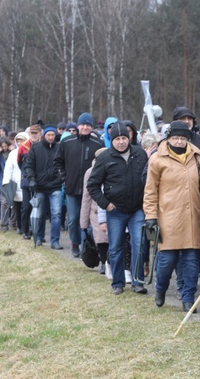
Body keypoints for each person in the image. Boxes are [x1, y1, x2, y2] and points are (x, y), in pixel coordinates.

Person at [143, 120, 200, 311]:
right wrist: (150, 216)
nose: (180, 142)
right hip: (168, 219)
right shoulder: (157, 159)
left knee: (191, 262)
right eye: (176, 138)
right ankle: (161, 288)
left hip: (193, 217)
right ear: (168, 138)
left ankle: (188, 298)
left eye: (183, 138)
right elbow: (150, 191)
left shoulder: (198, 158)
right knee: (167, 261)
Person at [87, 121, 148, 295]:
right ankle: (118, 282)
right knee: (115, 247)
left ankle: (137, 282)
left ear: (129, 139)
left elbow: (148, 178)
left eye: (124, 138)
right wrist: (105, 203)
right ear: (111, 140)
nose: (121, 142)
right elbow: (92, 185)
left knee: (139, 244)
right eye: (117, 139)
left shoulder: (140, 154)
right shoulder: (105, 158)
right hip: (115, 210)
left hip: (137, 208)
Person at [54, 112, 103, 258]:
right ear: (78, 125)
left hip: (90, 190)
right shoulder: (67, 142)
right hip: (72, 188)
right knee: (73, 219)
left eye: (88, 125)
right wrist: (63, 178)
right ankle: (75, 243)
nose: (85, 127)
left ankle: (87, 246)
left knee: (89, 220)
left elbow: (102, 164)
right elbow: (57, 162)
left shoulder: (97, 144)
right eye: (83, 124)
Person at [25, 125, 63, 249]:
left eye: (53, 135)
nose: (51, 137)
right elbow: (29, 166)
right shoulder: (36, 148)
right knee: (40, 214)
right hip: (39, 186)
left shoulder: (59, 148)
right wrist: (31, 179)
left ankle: (55, 240)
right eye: (48, 135)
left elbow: (64, 165)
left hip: (55, 185)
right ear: (44, 136)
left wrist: (62, 177)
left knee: (56, 214)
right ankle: (39, 237)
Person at [81, 147, 109, 275]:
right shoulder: (90, 172)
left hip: (113, 208)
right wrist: (84, 222)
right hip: (96, 210)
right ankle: (104, 262)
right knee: (101, 239)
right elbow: (86, 197)